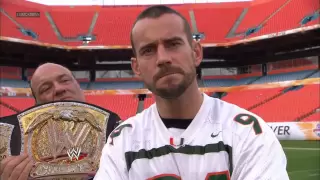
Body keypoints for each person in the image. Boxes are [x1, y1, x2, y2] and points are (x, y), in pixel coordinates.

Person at [94, 5, 289, 180]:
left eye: (173, 44)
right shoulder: (121, 141)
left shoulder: (247, 133)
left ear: (196, 53)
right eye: (148, 50)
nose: (162, 58)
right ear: (136, 67)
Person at [0, 63, 122, 180]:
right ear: (36, 106)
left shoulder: (119, 132)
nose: (58, 89)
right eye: (46, 89)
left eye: (65, 81)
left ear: (79, 87)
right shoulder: (12, 146)